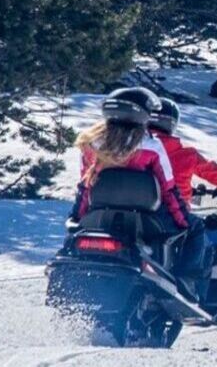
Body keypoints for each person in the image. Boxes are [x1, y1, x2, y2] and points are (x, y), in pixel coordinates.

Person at [70, 87, 191, 250]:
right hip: (146, 218)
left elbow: (85, 185)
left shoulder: (91, 144)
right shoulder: (151, 146)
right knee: (196, 228)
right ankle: (188, 275)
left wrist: (77, 218)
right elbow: (168, 190)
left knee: (76, 237)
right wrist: (184, 222)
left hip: (100, 213)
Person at [147, 98, 217, 298]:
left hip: (133, 210)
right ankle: (189, 281)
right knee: (198, 231)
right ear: (172, 123)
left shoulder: (134, 148)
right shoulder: (185, 155)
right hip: (170, 214)